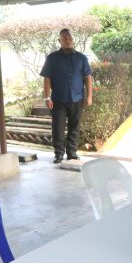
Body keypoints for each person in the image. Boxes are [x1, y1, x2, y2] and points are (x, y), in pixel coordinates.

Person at [41, 28, 92, 164]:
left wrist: (89, 96)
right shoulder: (52, 58)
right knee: (58, 128)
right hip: (58, 100)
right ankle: (58, 154)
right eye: (64, 39)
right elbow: (47, 78)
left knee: (75, 127)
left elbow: (87, 77)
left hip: (77, 98)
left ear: (72, 40)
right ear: (60, 41)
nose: (67, 41)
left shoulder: (81, 58)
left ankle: (72, 153)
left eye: (69, 38)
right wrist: (47, 97)